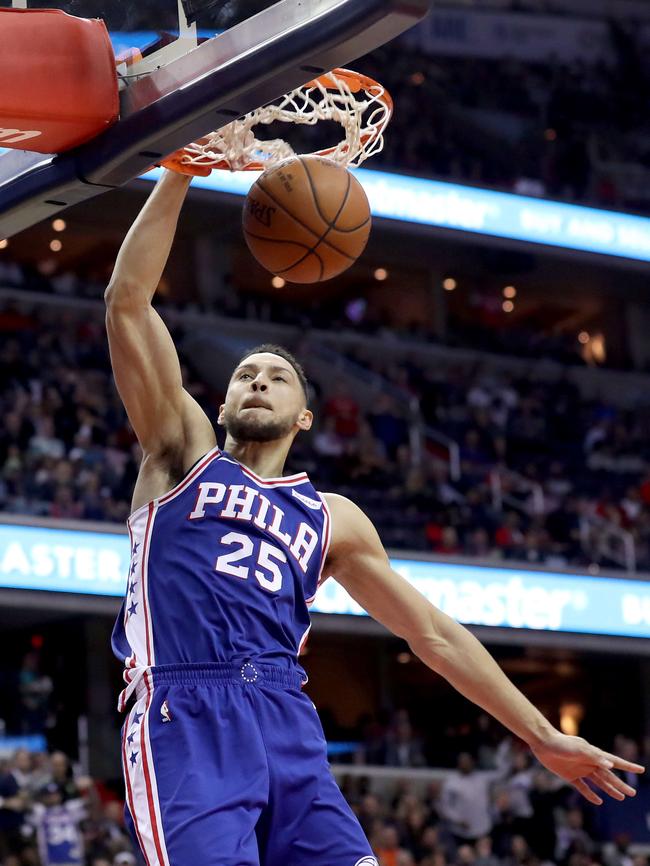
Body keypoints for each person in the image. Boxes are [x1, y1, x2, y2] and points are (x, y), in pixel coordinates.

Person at [105, 169, 643, 866]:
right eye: (244, 374)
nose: (257, 380)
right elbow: (126, 302)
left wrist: (540, 733)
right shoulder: (182, 454)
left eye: (276, 376)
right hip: (188, 713)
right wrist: (179, 172)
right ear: (220, 403)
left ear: (304, 415)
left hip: (288, 722)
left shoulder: (334, 518)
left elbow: (433, 636)